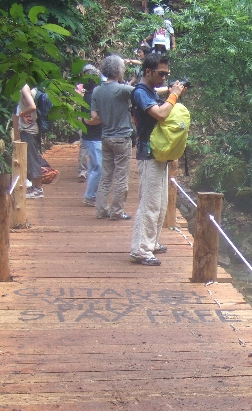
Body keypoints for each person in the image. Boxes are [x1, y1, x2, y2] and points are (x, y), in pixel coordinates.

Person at [129, 53, 187, 265]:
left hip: (158, 153)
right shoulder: (140, 93)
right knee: (150, 203)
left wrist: (173, 90)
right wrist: (174, 96)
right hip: (148, 153)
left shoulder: (150, 91)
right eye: (161, 74)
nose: (164, 77)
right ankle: (140, 249)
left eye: (167, 74)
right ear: (148, 72)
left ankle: (151, 243)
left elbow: (161, 95)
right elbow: (161, 114)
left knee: (160, 203)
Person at [89, 55, 134, 220]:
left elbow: (95, 117)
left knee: (106, 175)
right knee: (122, 176)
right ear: (118, 71)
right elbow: (144, 93)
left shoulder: (97, 90)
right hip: (122, 138)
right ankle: (116, 211)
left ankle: (101, 210)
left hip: (105, 137)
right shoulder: (122, 89)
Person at [17, 84, 55, 198]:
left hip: (29, 130)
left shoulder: (24, 87)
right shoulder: (31, 87)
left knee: (32, 159)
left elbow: (32, 106)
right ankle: (35, 187)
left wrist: (22, 114)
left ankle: (38, 189)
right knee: (31, 158)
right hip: (31, 128)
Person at [79, 66, 103, 208]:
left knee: (93, 166)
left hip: (93, 137)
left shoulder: (92, 95)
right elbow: (88, 120)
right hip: (93, 137)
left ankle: (92, 194)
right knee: (98, 167)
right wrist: (105, 119)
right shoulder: (89, 97)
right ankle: (90, 196)